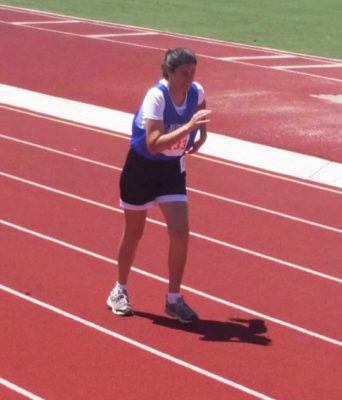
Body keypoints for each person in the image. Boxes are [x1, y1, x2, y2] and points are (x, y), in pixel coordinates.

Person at [107, 47, 211, 323]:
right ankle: (120, 289)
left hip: (171, 169)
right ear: (168, 72)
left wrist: (202, 131)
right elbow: (153, 144)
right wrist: (189, 127)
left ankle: (174, 298)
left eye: (192, 72)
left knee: (181, 232)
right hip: (142, 169)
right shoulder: (156, 97)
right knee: (134, 233)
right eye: (183, 73)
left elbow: (201, 105)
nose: (189, 79)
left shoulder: (195, 90)